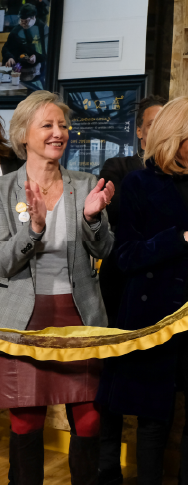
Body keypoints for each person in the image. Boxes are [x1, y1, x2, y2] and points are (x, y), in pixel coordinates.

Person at [96, 97, 188, 485]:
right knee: (153, 419)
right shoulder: (139, 184)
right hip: (154, 318)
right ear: (170, 136)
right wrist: (185, 237)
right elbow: (125, 256)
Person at [0, 90, 115, 484]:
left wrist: (94, 219)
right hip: (23, 320)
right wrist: (32, 230)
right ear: (23, 135)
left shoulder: (84, 184)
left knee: (88, 418)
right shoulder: (3, 191)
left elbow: (104, 248)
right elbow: (3, 263)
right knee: (26, 421)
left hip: (80, 314)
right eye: (47, 125)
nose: (58, 133)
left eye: (63, 125)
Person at [97, 94, 167, 485]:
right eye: (152, 124)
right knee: (113, 382)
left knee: (150, 389)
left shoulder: (180, 176)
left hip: (159, 296)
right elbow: (123, 215)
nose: (160, 132)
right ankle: (108, 468)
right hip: (117, 291)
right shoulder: (118, 168)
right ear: (140, 132)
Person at [1, 4, 49, 90]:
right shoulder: (16, 30)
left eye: (26, 21)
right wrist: (9, 57)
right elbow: (6, 48)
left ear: (33, 17)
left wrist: (36, 57)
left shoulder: (43, 29)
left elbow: (48, 51)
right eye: (21, 21)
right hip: (19, 73)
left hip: (38, 73)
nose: (23, 24)